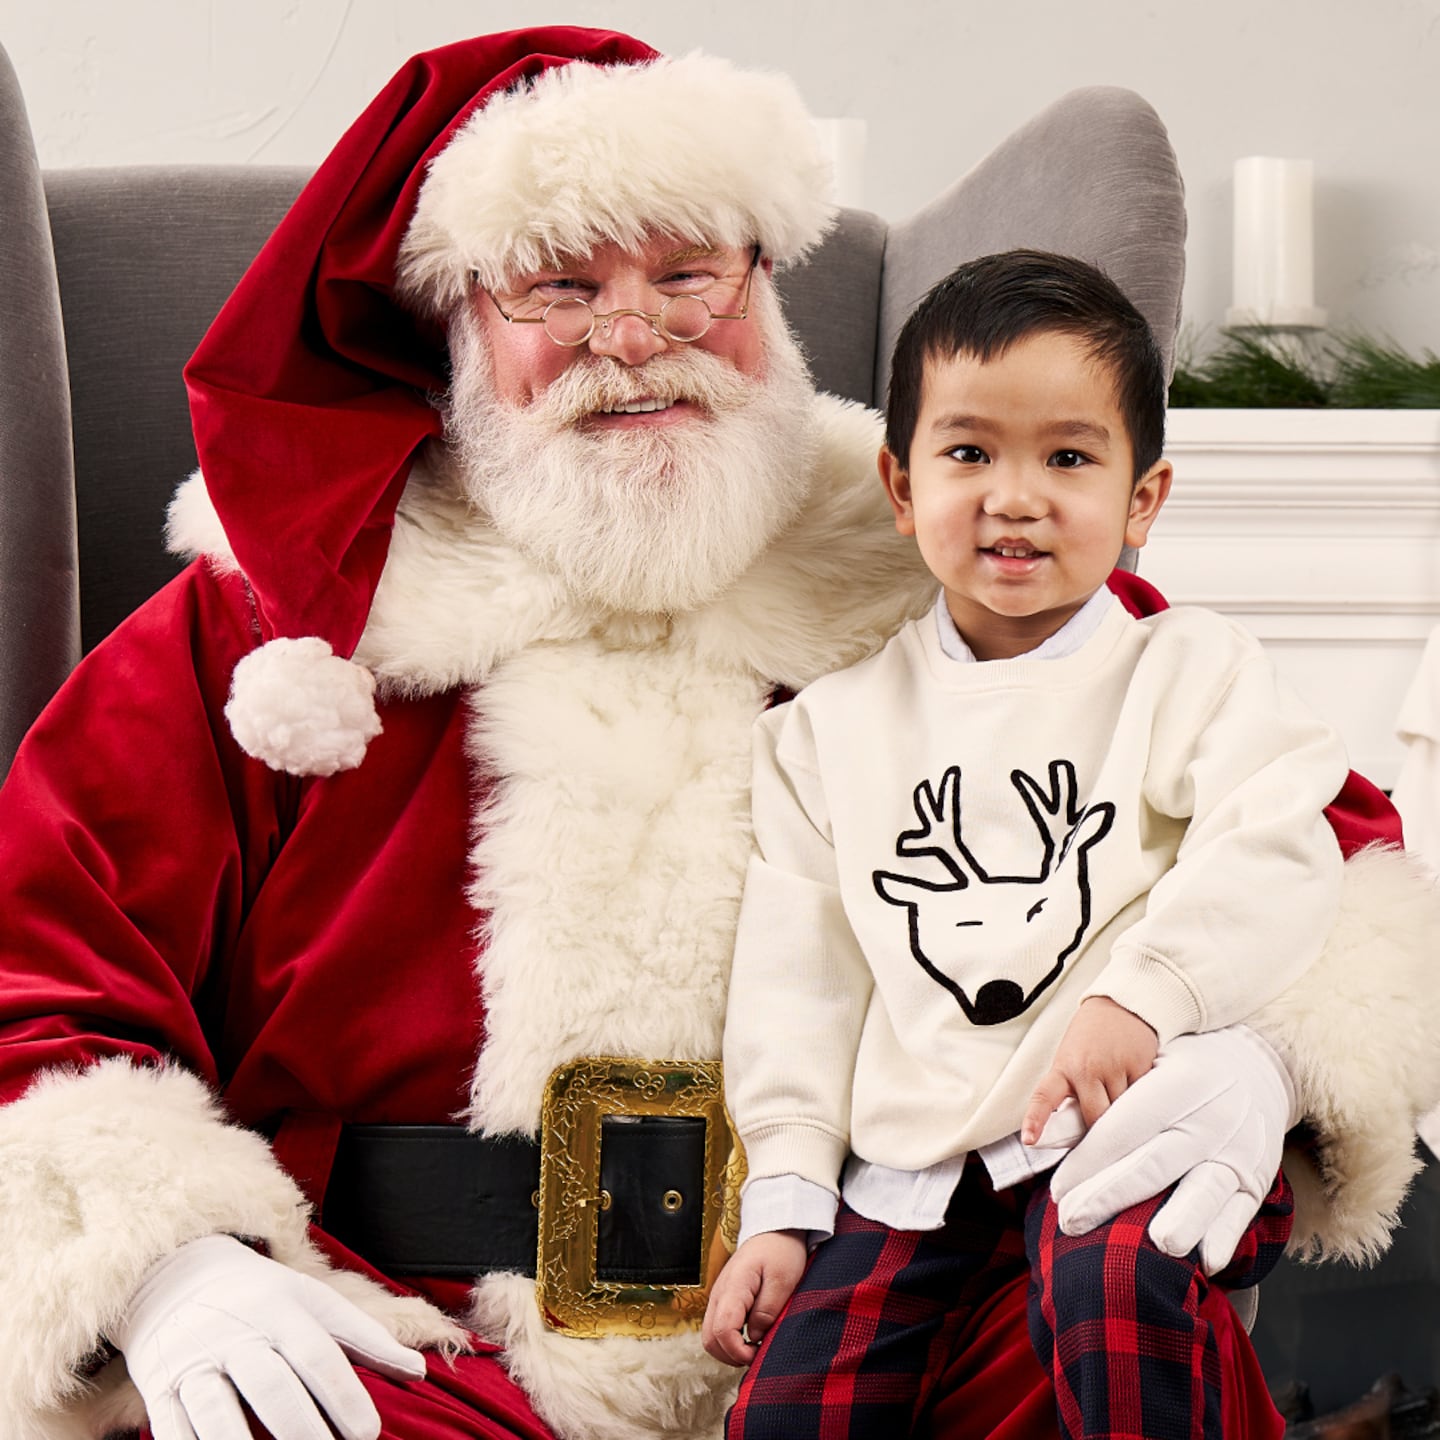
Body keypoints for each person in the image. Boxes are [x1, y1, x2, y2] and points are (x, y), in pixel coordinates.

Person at [0, 27, 1435, 1440]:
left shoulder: (925, 549)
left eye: (690, 276)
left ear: (767, 286)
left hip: (900, 1296)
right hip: (413, 1338)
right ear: (453, 323)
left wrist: (1255, 1051)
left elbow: (1310, 823)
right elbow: (38, 966)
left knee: (1099, 1357)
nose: (634, 341)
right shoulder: (278, 625)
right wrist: (161, 1259)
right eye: (560, 288)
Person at [703, 250, 1351, 1438]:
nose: (1014, 496)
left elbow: (1278, 842)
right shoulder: (826, 733)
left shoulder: (1187, 672)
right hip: (907, 1175)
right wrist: (785, 1201)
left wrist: (1149, 997)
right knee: (792, 1403)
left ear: (1142, 496)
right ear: (901, 487)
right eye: (968, 454)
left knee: (1124, 1293)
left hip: (1119, 1126)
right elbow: (798, 983)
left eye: (1067, 457)